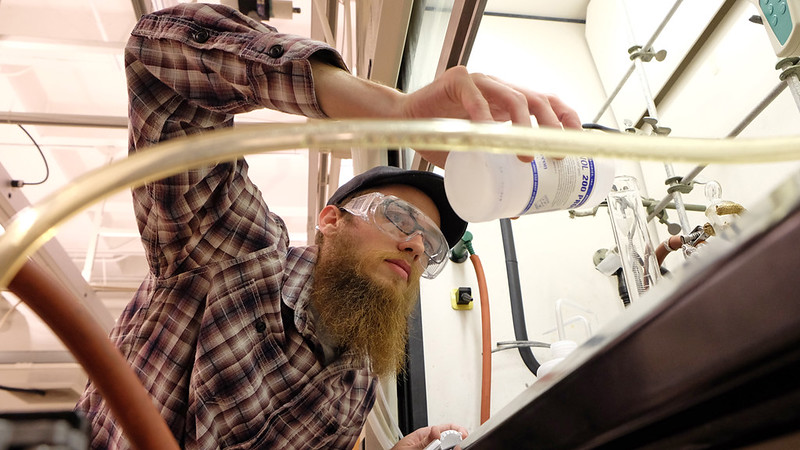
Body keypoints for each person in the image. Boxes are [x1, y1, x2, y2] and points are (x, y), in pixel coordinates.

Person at [75, 3, 581, 449]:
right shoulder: (237, 255)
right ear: (331, 220)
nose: (413, 244)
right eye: (398, 216)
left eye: (429, 244)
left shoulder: (358, 382)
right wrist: (393, 111)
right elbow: (157, 58)